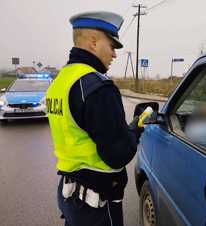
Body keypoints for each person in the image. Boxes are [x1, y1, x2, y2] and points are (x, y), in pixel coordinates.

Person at [46, 11, 143, 226]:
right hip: (97, 204)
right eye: (112, 46)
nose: (115, 54)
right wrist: (135, 130)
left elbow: (85, 131)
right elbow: (118, 154)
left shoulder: (61, 81)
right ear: (93, 42)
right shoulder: (98, 87)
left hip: (70, 196)